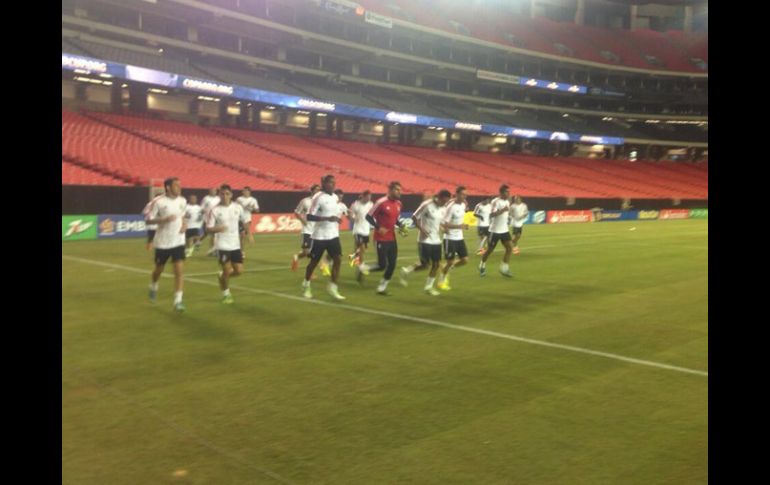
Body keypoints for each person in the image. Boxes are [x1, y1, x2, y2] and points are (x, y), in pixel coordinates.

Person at [356, 181, 408, 295]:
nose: (400, 192)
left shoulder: (399, 204)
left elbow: (395, 219)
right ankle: (363, 268)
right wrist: (378, 227)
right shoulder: (381, 202)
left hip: (392, 238)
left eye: (400, 190)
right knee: (382, 265)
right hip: (380, 238)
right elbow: (368, 216)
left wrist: (400, 225)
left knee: (393, 264)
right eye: (397, 190)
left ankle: (381, 288)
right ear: (390, 190)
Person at [145, 177, 188, 312]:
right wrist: (164, 219)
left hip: (179, 241)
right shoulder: (157, 202)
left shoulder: (182, 200)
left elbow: (183, 216)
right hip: (163, 242)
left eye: (180, 185)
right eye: (176, 185)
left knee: (179, 271)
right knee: (159, 269)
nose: (179, 188)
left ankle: (178, 301)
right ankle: (153, 285)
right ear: (168, 187)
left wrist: (184, 225)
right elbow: (148, 220)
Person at [301, 175, 346, 301]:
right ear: (324, 183)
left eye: (334, 183)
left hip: (333, 235)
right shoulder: (318, 197)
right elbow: (309, 216)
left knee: (338, 259)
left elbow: (332, 213)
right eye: (330, 183)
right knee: (313, 263)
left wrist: (336, 218)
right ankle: (306, 284)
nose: (333, 185)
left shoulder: (335, 197)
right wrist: (327, 218)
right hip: (319, 236)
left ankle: (332, 286)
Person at [400, 189, 451, 295]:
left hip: (436, 240)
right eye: (444, 201)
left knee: (436, 265)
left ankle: (428, 287)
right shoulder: (427, 205)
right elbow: (414, 217)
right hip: (424, 240)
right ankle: (406, 271)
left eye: (446, 202)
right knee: (425, 265)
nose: (445, 203)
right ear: (440, 198)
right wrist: (422, 229)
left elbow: (440, 222)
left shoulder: (443, 208)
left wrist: (443, 228)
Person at [205, 184, 244, 304]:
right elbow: (208, 228)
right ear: (219, 195)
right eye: (222, 194)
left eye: (227, 194)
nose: (224, 196)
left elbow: (242, 222)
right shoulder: (214, 210)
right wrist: (218, 229)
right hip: (222, 244)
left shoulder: (238, 207)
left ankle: (222, 276)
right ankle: (226, 294)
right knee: (227, 270)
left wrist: (246, 233)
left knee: (238, 271)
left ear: (231, 195)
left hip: (235, 244)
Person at [437, 186, 470, 291]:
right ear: (457, 194)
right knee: (450, 261)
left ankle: (446, 267)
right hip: (449, 238)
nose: (465, 196)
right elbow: (444, 223)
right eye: (463, 194)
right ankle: (441, 281)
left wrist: (462, 225)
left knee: (464, 260)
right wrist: (460, 226)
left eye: (465, 194)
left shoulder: (464, 204)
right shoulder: (450, 206)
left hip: (459, 237)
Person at [479, 185, 513, 278]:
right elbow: (491, 215)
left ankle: (504, 269)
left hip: (504, 230)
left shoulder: (507, 201)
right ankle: (482, 265)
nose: (509, 193)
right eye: (507, 192)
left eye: (509, 192)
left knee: (510, 248)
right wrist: (503, 210)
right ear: (501, 193)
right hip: (495, 231)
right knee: (489, 250)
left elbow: (506, 214)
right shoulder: (495, 201)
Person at [292, 184, 321, 271]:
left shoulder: (321, 202)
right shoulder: (305, 201)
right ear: (311, 191)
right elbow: (297, 212)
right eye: (316, 190)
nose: (318, 192)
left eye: (319, 190)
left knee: (314, 253)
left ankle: (310, 272)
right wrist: (302, 220)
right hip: (307, 230)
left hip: (317, 231)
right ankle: (297, 256)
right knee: (306, 252)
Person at [347, 190, 373, 267]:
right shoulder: (356, 204)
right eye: (367, 197)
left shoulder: (371, 204)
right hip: (357, 230)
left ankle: (353, 257)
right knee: (360, 246)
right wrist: (353, 218)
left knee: (363, 248)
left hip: (366, 230)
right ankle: (361, 264)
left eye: (370, 198)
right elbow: (349, 213)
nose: (369, 199)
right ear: (363, 196)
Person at [235, 186, 260, 257]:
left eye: (246, 191)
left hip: (247, 219)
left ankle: (242, 252)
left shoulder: (253, 200)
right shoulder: (239, 199)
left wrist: (251, 208)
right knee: (237, 236)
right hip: (238, 219)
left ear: (249, 192)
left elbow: (257, 210)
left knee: (242, 235)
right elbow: (234, 207)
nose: (244, 192)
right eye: (243, 191)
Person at [200, 187, 221, 256]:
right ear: (209, 191)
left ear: (216, 191)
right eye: (211, 190)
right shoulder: (206, 198)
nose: (212, 192)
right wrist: (203, 211)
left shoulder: (219, 198)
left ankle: (214, 249)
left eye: (214, 190)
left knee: (215, 234)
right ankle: (199, 241)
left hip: (217, 218)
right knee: (209, 233)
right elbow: (202, 207)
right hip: (208, 218)